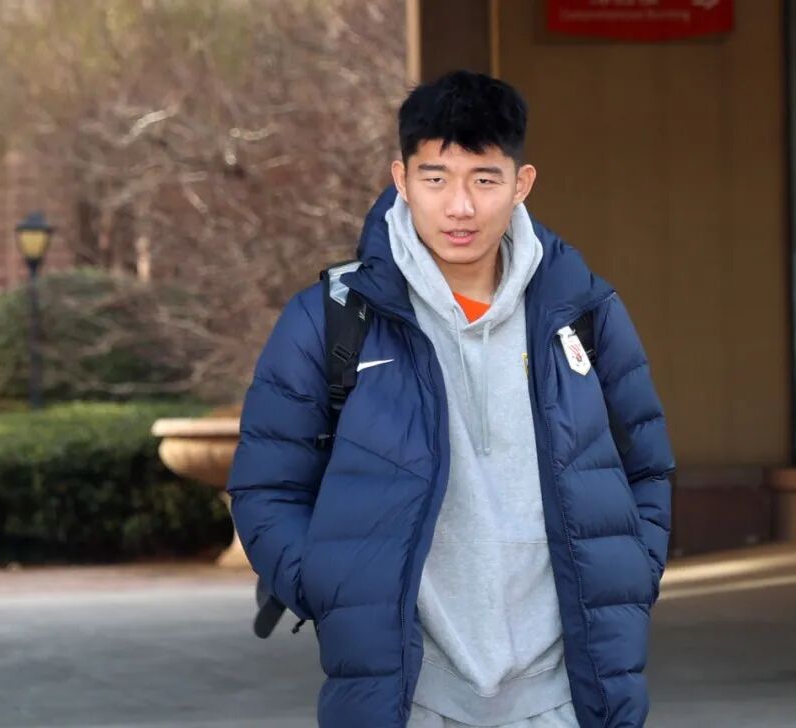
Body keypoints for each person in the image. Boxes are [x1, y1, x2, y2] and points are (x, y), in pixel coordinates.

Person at [227, 69, 674, 728]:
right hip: (410, 699)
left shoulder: (584, 312)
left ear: (521, 183)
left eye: (484, 180)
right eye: (435, 179)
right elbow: (266, 485)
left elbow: (647, 467)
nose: (460, 207)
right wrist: (329, 586)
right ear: (402, 179)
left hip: (563, 698)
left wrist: (633, 573)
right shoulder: (332, 319)